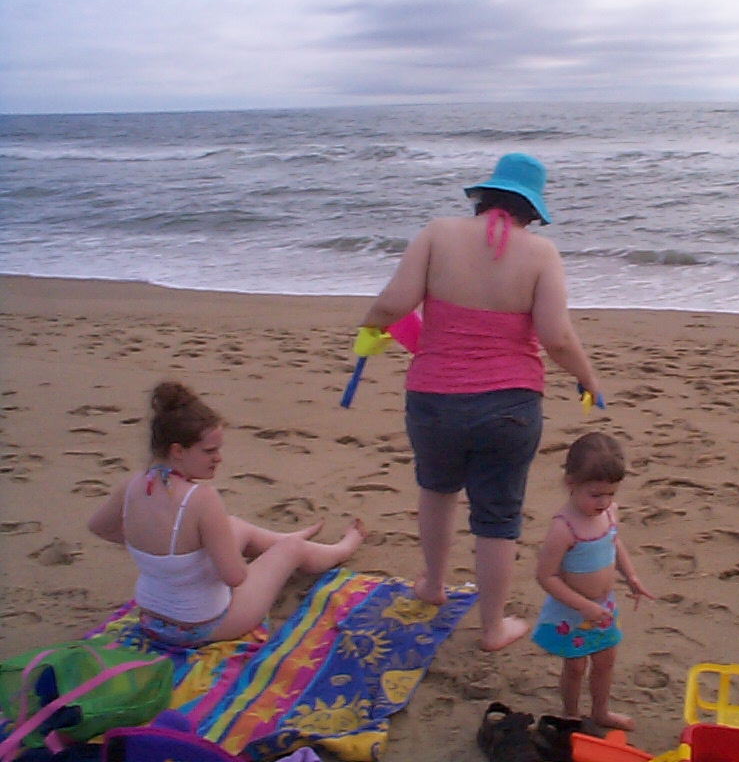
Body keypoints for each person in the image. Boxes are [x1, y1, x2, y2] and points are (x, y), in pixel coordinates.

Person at [359, 152, 602, 652]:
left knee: (436, 490)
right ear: (532, 210)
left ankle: (433, 584)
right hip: (508, 405)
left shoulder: (437, 234)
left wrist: (370, 329)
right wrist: (588, 379)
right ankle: (492, 627)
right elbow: (556, 338)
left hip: (433, 398)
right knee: (497, 518)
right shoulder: (541, 255)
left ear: (485, 195)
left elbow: (392, 304)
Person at [88, 381, 364, 647]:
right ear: (177, 451)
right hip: (202, 626)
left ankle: (285, 539)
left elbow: (99, 527)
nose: (218, 458)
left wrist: (154, 549)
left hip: (151, 619)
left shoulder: (134, 485)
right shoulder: (201, 499)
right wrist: (219, 557)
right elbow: (235, 577)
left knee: (234, 526)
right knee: (292, 549)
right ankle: (342, 547)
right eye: (209, 451)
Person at [531, 432, 653, 730]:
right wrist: (582, 606)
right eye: (596, 495)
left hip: (603, 606)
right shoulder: (563, 528)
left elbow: (614, 543)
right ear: (571, 483)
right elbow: (546, 576)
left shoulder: (609, 512)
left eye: (611, 493)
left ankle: (600, 711)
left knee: (605, 660)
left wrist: (631, 576)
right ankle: (571, 716)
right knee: (575, 666)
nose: (605, 501)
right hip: (572, 610)